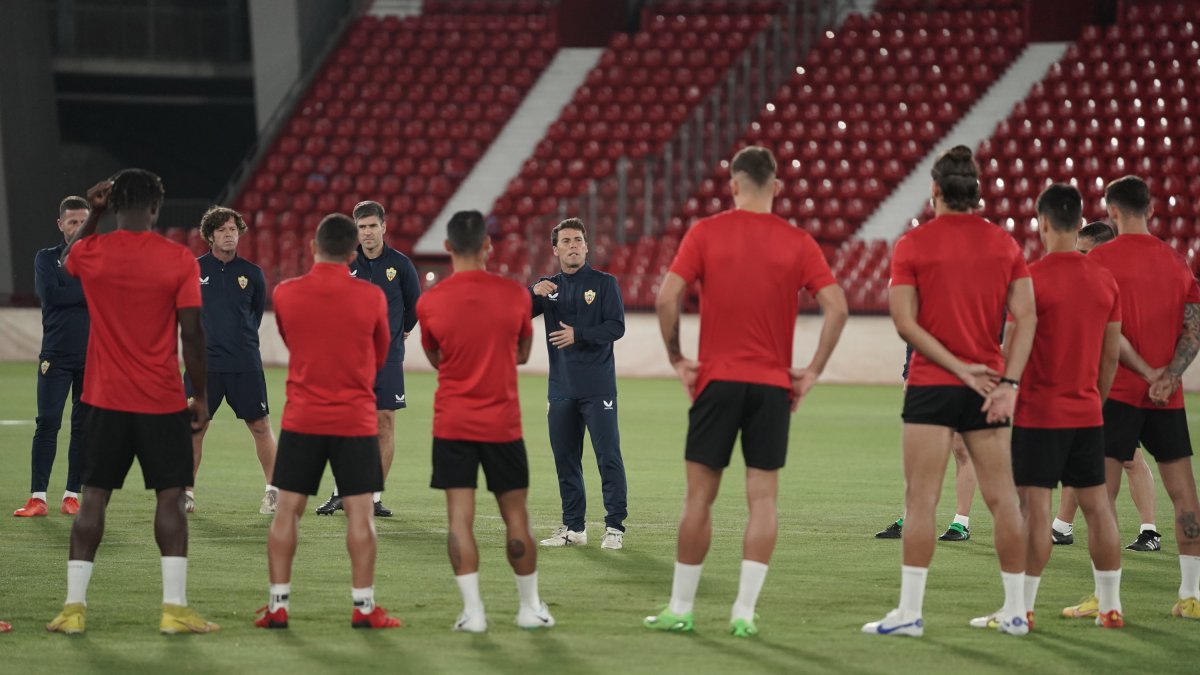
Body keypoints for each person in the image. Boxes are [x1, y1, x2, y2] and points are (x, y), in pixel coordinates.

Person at [648, 146, 848, 638]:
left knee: (699, 498)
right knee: (763, 500)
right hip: (772, 385)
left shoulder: (706, 232)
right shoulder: (798, 242)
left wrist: (677, 358)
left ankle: (681, 608)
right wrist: (811, 371)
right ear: (776, 187)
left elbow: (666, 296)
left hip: (716, 381)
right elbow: (838, 307)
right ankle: (743, 611)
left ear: (734, 185)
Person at [863, 145, 1036, 638]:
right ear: (975, 191)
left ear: (935, 190)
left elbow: (904, 322)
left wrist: (957, 368)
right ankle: (1016, 611)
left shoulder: (913, 245)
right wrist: (1008, 382)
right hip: (988, 388)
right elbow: (1027, 318)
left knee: (921, 499)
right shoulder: (1004, 244)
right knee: (1003, 500)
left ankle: (910, 614)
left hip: (933, 385)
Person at [46, 169, 218, 635]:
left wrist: (94, 212)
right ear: (157, 209)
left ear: (115, 206)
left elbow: (67, 262)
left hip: (103, 399)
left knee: (93, 500)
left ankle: (74, 609)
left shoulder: (94, 251)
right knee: (170, 498)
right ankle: (174, 609)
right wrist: (199, 395)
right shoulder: (177, 259)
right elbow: (192, 335)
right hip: (161, 400)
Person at [971, 184, 1125, 630]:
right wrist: (1096, 396)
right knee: (1099, 508)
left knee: (1034, 512)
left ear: (1041, 223)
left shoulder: (1030, 280)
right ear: (1080, 223)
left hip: (1040, 415)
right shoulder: (1104, 278)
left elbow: (1010, 345)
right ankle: (1111, 606)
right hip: (1087, 412)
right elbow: (1110, 355)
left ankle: (1022, 609)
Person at [1062, 175, 1200, 620]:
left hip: (1115, 392)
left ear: (1113, 213)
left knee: (1100, 497)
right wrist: (1169, 376)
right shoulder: (1179, 262)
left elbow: (1104, 329)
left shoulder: (1099, 260)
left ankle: (1108, 602)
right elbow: (1193, 329)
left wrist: (1141, 371)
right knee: (1184, 496)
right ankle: (1192, 596)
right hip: (1168, 398)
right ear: (1150, 210)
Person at [254, 213, 401, 630]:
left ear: (312, 248)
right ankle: (364, 608)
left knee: (287, 515)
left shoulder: (286, 293)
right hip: (354, 419)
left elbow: (290, 340)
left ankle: (278, 605)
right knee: (360, 516)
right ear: (353, 252)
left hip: (303, 417)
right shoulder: (371, 297)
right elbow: (379, 353)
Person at [417, 210, 554, 633]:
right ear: (488, 246)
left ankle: (473, 613)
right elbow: (525, 354)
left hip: (453, 423)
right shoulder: (515, 296)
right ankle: (529, 608)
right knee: (516, 517)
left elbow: (436, 358)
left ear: (447, 249)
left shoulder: (430, 301)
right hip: (502, 425)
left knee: (460, 519)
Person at [1052, 220, 1160, 551]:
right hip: (1097, 379)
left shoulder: (1120, 283)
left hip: (1122, 381)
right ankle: (1063, 526)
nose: (1079, 257)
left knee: (1124, 457)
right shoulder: (1090, 281)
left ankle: (1148, 531)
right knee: (1092, 452)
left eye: (1085, 251)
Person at [315, 201, 420, 518]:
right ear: (355, 230)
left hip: (387, 357)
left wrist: (400, 331)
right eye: (362, 227)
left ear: (384, 227)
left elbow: (414, 307)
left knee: (384, 424)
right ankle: (339, 493)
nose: (368, 232)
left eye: (373, 225)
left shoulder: (400, 265)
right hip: (349, 359)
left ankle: (372, 498)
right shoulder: (345, 263)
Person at [530, 218, 629, 550]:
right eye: (566, 241)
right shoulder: (548, 287)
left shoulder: (604, 284)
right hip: (560, 389)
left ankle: (614, 527)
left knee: (608, 456)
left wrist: (579, 334)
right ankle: (574, 528)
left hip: (598, 387)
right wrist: (531, 293)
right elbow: (514, 315)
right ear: (555, 249)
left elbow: (616, 327)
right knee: (565, 459)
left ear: (586, 246)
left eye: (578, 240)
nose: (573, 245)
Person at [185, 206, 277, 515]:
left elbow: (253, 313)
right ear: (210, 235)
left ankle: (273, 491)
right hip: (204, 367)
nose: (229, 234)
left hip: (245, 364)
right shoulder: (193, 271)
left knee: (261, 425)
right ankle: (186, 493)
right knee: (194, 428)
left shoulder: (251, 273)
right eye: (223, 229)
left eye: (233, 229)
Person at [15, 197, 90, 518]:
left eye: (83, 222)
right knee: (47, 423)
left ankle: (72, 496)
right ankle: (38, 497)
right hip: (56, 356)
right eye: (72, 221)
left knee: (83, 427)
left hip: (93, 357)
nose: (78, 227)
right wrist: (92, 290)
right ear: (60, 224)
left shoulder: (101, 259)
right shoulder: (46, 258)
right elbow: (52, 296)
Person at [875, 347, 977, 542]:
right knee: (921, 449)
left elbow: (992, 337)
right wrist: (908, 373)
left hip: (964, 376)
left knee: (961, 448)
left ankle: (961, 522)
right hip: (927, 377)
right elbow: (913, 332)